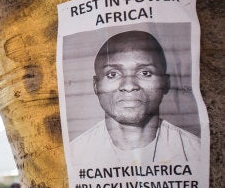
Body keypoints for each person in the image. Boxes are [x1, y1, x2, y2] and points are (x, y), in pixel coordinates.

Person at [70, 30, 201, 163]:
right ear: (95, 85)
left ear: (166, 83)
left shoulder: (196, 152)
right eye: (112, 74)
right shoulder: (73, 156)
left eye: (145, 73)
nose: (129, 85)